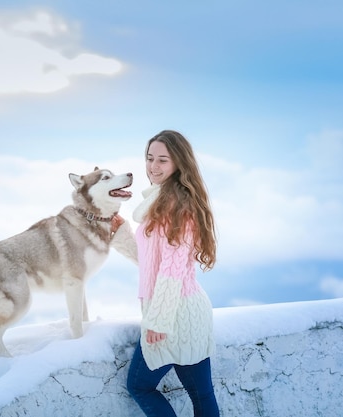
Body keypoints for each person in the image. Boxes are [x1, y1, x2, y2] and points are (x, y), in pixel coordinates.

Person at [110, 130, 220, 416]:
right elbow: (152, 262)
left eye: (162, 160)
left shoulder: (177, 205)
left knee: (140, 385)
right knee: (201, 395)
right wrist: (121, 232)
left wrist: (157, 320)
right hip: (185, 311)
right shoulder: (163, 200)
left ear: (178, 164)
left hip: (175, 314)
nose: (153, 167)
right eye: (149, 159)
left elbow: (171, 268)